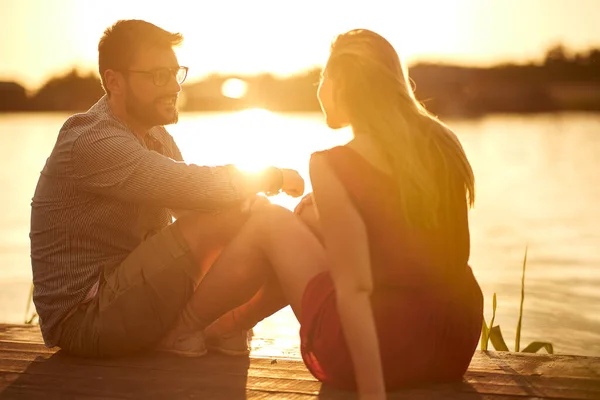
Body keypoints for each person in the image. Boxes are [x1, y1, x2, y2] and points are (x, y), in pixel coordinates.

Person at [181, 29, 484, 399]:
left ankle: (185, 328)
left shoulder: (334, 165)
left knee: (268, 219)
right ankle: (229, 328)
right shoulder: (443, 142)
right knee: (303, 222)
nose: (320, 89)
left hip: (383, 351)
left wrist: (373, 391)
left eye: (324, 77)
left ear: (343, 84)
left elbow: (355, 289)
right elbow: (415, 244)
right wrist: (322, 220)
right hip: (452, 342)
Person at [29, 19, 311, 358]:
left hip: (131, 298)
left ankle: (226, 325)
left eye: (177, 73)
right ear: (114, 81)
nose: (175, 88)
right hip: (84, 319)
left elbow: (203, 208)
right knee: (248, 211)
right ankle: (198, 329)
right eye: (159, 76)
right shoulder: (91, 139)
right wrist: (270, 177)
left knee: (256, 218)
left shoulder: (156, 136)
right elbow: (192, 186)